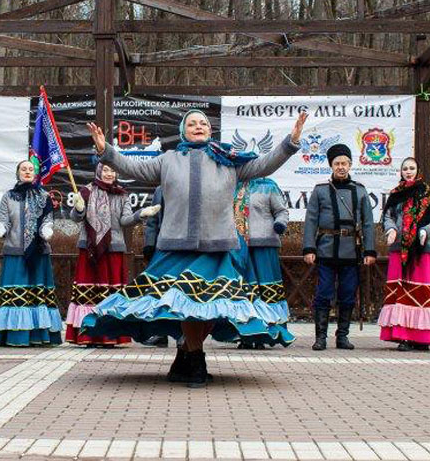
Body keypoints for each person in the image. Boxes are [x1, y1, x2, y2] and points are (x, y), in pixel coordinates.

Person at [82, 110, 306, 386]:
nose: (198, 127)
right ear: (183, 130)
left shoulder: (228, 162)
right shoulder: (168, 160)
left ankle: (188, 356)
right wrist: (106, 150)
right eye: (192, 123)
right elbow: (132, 167)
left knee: (206, 306)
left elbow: (263, 166)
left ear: (211, 131)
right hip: (175, 248)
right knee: (180, 305)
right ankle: (192, 357)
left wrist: (290, 142)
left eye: (203, 123)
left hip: (215, 248)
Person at [66, 163, 160, 347]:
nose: (110, 174)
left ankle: (111, 335)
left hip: (113, 249)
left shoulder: (122, 194)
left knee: (111, 294)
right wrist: (78, 208)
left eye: (113, 170)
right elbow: (76, 218)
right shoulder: (86, 191)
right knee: (89, 294)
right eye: (106, 170)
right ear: (99, 172)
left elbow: (125, 221)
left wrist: (141, 214)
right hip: (90, 250)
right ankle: (88, 334)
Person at [303, 144, 376, 351]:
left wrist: (369, 250)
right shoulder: (320, 191)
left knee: (347, 293)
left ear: (350, 164)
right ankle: (320, 338)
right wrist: (309, 248)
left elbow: (368, 223)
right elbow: (311, 221)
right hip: (326, 250)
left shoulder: (360, 191)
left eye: (344, 163)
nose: (341, 167)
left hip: (351, 252)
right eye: (337, 163)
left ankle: (342, 336)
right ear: (331, 165)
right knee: (323, 293)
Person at [0, 160, 61, 346]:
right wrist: (0, 229)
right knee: (13, 294)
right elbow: (4, 219)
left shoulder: (44, 196)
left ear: (35, 173)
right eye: (24, 169)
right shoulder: (8, 196)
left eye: (31, 169)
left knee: (37, 293)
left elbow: (47, 219)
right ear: (17, 173)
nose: (27, 172)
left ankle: (39, 335)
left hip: (39, 252)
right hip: (15, 252)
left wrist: (46, 230)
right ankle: (11, 335)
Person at [378, 157, 430, 351]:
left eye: (412, 168)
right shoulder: (396, 194)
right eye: (405, 168)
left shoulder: (429, 196)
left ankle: (422, 337)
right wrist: (390, 230)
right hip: (399, 249)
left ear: (418, 170)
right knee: (401, 293)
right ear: (401, 171)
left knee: (420, 292)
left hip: (422, 250)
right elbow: (388, 217)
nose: (408, 171)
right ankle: (404, 336)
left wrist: (426, 231)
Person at [233, 178, 292, 349]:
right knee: (245, 291)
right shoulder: (232, 184)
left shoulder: (268, 186)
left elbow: (282, 211)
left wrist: (279, 224)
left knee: (268, 290)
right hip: (239, 246)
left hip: (264, 245)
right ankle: (247, 333)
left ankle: (269, 333)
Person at [141, 186, 168, 348]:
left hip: (189, 248)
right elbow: (152, 222)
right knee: (160, 290)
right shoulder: (161, 189)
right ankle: (161, 333)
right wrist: (149, 245)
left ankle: (186, 336)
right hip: (163, 246)